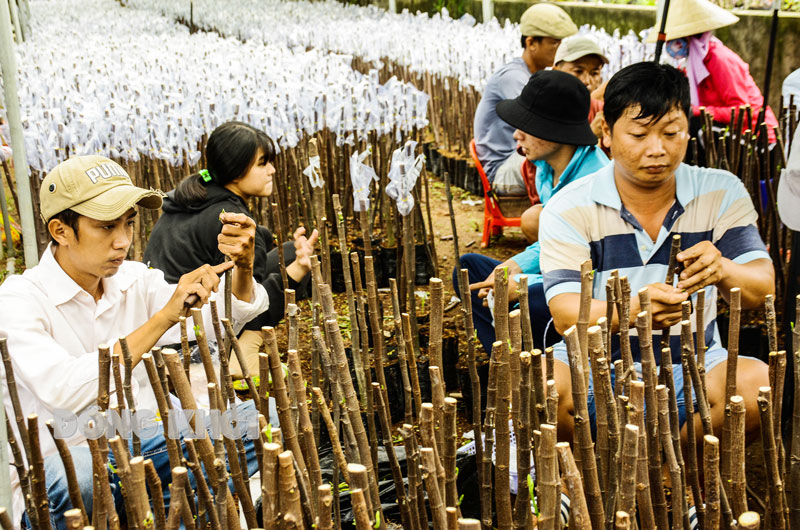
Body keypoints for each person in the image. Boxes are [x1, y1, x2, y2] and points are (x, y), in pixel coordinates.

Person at [0, 155, 271, 529]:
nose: (123, 241)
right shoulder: (19, 300)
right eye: (106, 227)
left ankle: (162, 509)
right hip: (67, 466)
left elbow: (207, 320)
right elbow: (63, 391)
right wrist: (162, 318)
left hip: (147, 447)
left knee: (262, 420)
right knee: (81, 473)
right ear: (61, 230)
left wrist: (242, 267)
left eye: (128, 224)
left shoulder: (133, 279)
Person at [539, 62, 772, 447]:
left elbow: (762, 289)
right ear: (606, 134)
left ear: (687, 132)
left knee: (756, 385)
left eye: (671, 132)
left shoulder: (720, 192)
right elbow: (566, 312)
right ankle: (574, 483)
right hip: (597, 369)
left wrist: (723, 267)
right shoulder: (570, 206)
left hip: (696, 365)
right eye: (639, 134)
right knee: (541, 385)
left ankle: (681, 480)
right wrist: (633, 310)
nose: (657, 149)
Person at [144, 121, 317, 378]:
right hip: (193, 336)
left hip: (161, 319)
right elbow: (248, 302)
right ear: (236, 172)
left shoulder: (193, 197)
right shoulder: (232, 222)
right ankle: (243, 350)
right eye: (262, 163)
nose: (272, 170)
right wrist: (296, 271)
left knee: (279, 245)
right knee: (294, 257)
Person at [456, 70, 609, 355]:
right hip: (555, 274)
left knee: (540, 299)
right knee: (468, 269)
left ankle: (546, 361)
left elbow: (593, 270)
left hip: (585, 293)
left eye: (528, 125)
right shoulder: (545, 169)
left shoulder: (594, 184)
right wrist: (515, 265)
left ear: (557, 130)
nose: (516, 134)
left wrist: (525, 284)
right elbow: (554, 242)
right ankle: (505, 359)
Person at [472, 3, 577, 196]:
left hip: (523, 157)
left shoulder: (533, 76)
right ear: (531, 43)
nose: (561, 49)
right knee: (570, 158)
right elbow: (546, 121)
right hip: (503, 169)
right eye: (554, 43)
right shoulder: (513, 77)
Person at [651, 0, 778, 143]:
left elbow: (741, 112)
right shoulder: (691, 65)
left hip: (756, 138)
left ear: (690, 37)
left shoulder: (719, 59)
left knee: (694, 127)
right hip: (726, 131)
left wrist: (699, 111)